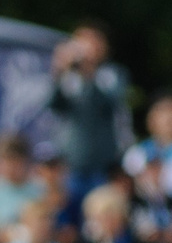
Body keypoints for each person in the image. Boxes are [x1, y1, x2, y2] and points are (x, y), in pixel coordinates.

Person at [49, 22, 131, 195]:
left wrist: (87, 72)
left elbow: (106, 104)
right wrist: (59, 71)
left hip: (105, 164)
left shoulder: (112, 74)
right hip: (72, 163)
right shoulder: (69, 77)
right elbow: (55, 106)